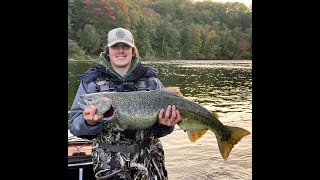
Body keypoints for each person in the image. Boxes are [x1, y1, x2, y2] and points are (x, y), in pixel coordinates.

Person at [69, 27, 181, 180]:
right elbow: (75, 125)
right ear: (108, 50)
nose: (120, 50)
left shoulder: (152, 81)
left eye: (125, 46)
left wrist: (165, 125)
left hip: (150, 160)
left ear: (133, 50)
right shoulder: (90, 83)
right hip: (108, 165)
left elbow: (163, 131)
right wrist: (88, 123)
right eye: (115, 46)